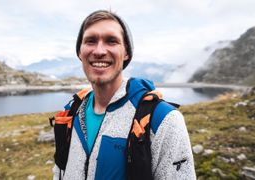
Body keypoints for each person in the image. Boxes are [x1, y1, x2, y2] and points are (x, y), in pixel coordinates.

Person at [52, 10, 196, 179]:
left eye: (111, 41)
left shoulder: (163, 120)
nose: (99, 51)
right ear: (79, 52)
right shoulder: (71, 112)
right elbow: (59, 171)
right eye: (90, 41)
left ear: (126, 53)